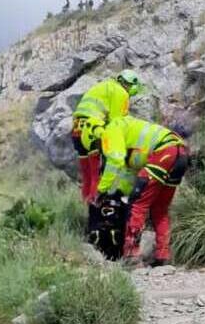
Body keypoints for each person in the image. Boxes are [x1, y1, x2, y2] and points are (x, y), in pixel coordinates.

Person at [85, 116, 189, 267]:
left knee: (136, 205)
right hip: (180, 155)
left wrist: (101, 190)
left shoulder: (110, 131)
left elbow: (116, 160)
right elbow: (129, 175)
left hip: (164, 152)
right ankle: (163, 256)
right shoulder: (126, 134)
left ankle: (131, 255)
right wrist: (119, 193)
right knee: (159, 210)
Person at [71, 70, 142, 204]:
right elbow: (117, 122)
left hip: (77, 129)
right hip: (93, 130)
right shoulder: (121, 92)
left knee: (86, 176)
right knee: (96, 176)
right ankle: (95, 210)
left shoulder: (104, 86)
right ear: (131, 84)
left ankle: (85, 206)